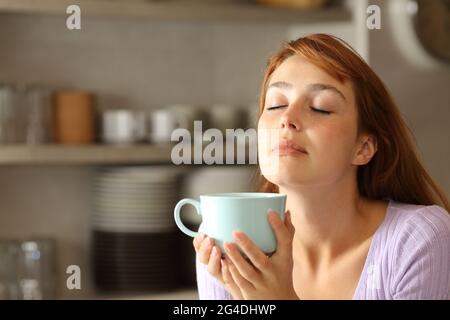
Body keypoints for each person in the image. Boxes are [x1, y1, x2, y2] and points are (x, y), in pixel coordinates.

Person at [193, 34, 450, 300]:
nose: (287, 118)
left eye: (320, 108)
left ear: (362, 148)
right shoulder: (222, 235)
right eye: (276, 104)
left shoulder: (419, 240)